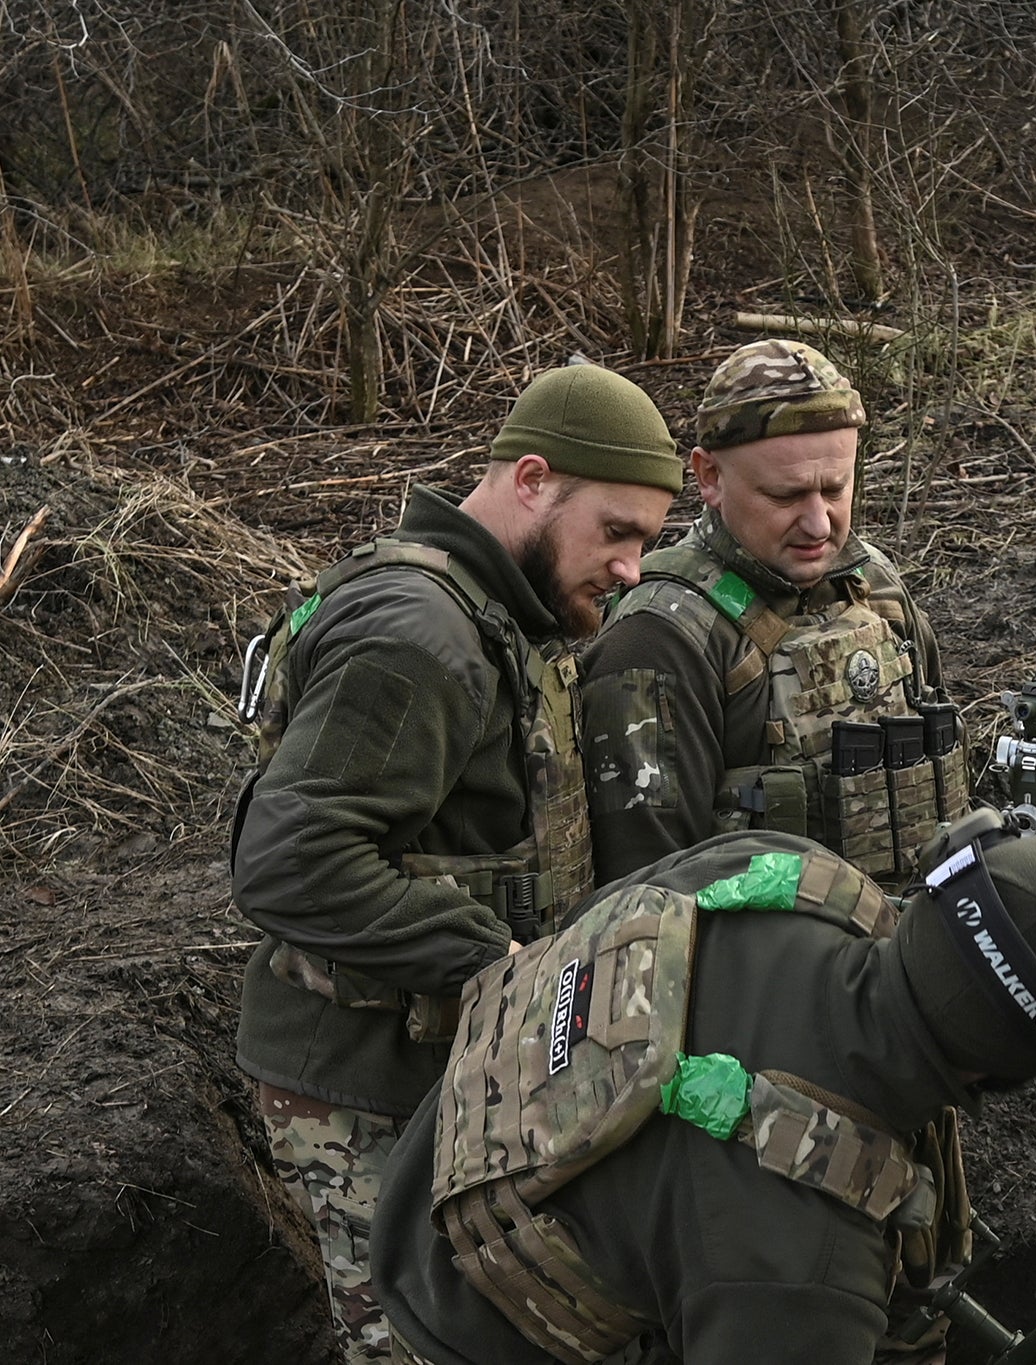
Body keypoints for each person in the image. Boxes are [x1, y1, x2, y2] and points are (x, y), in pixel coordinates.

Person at [231, 362, 683, 1365]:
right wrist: (502, 964)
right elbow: (292, 861)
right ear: (531, 481)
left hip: (450, 1073)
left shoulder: (497, 610)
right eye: (615, 532)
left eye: (646, 543)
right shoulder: (418, 635)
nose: (630, 571)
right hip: (366, 1090)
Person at [368, 817, 1036, 1365]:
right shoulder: (805, 1267)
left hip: (434, 1159)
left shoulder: (789, 874)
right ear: (1017, 1071)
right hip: (463, 1331)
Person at [579, 338, 967, 890]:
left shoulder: (872, 582)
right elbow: (647, 901)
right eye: (786, 496)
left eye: (835, 488)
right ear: (709, 477)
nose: (819, 524)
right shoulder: (657, 642)